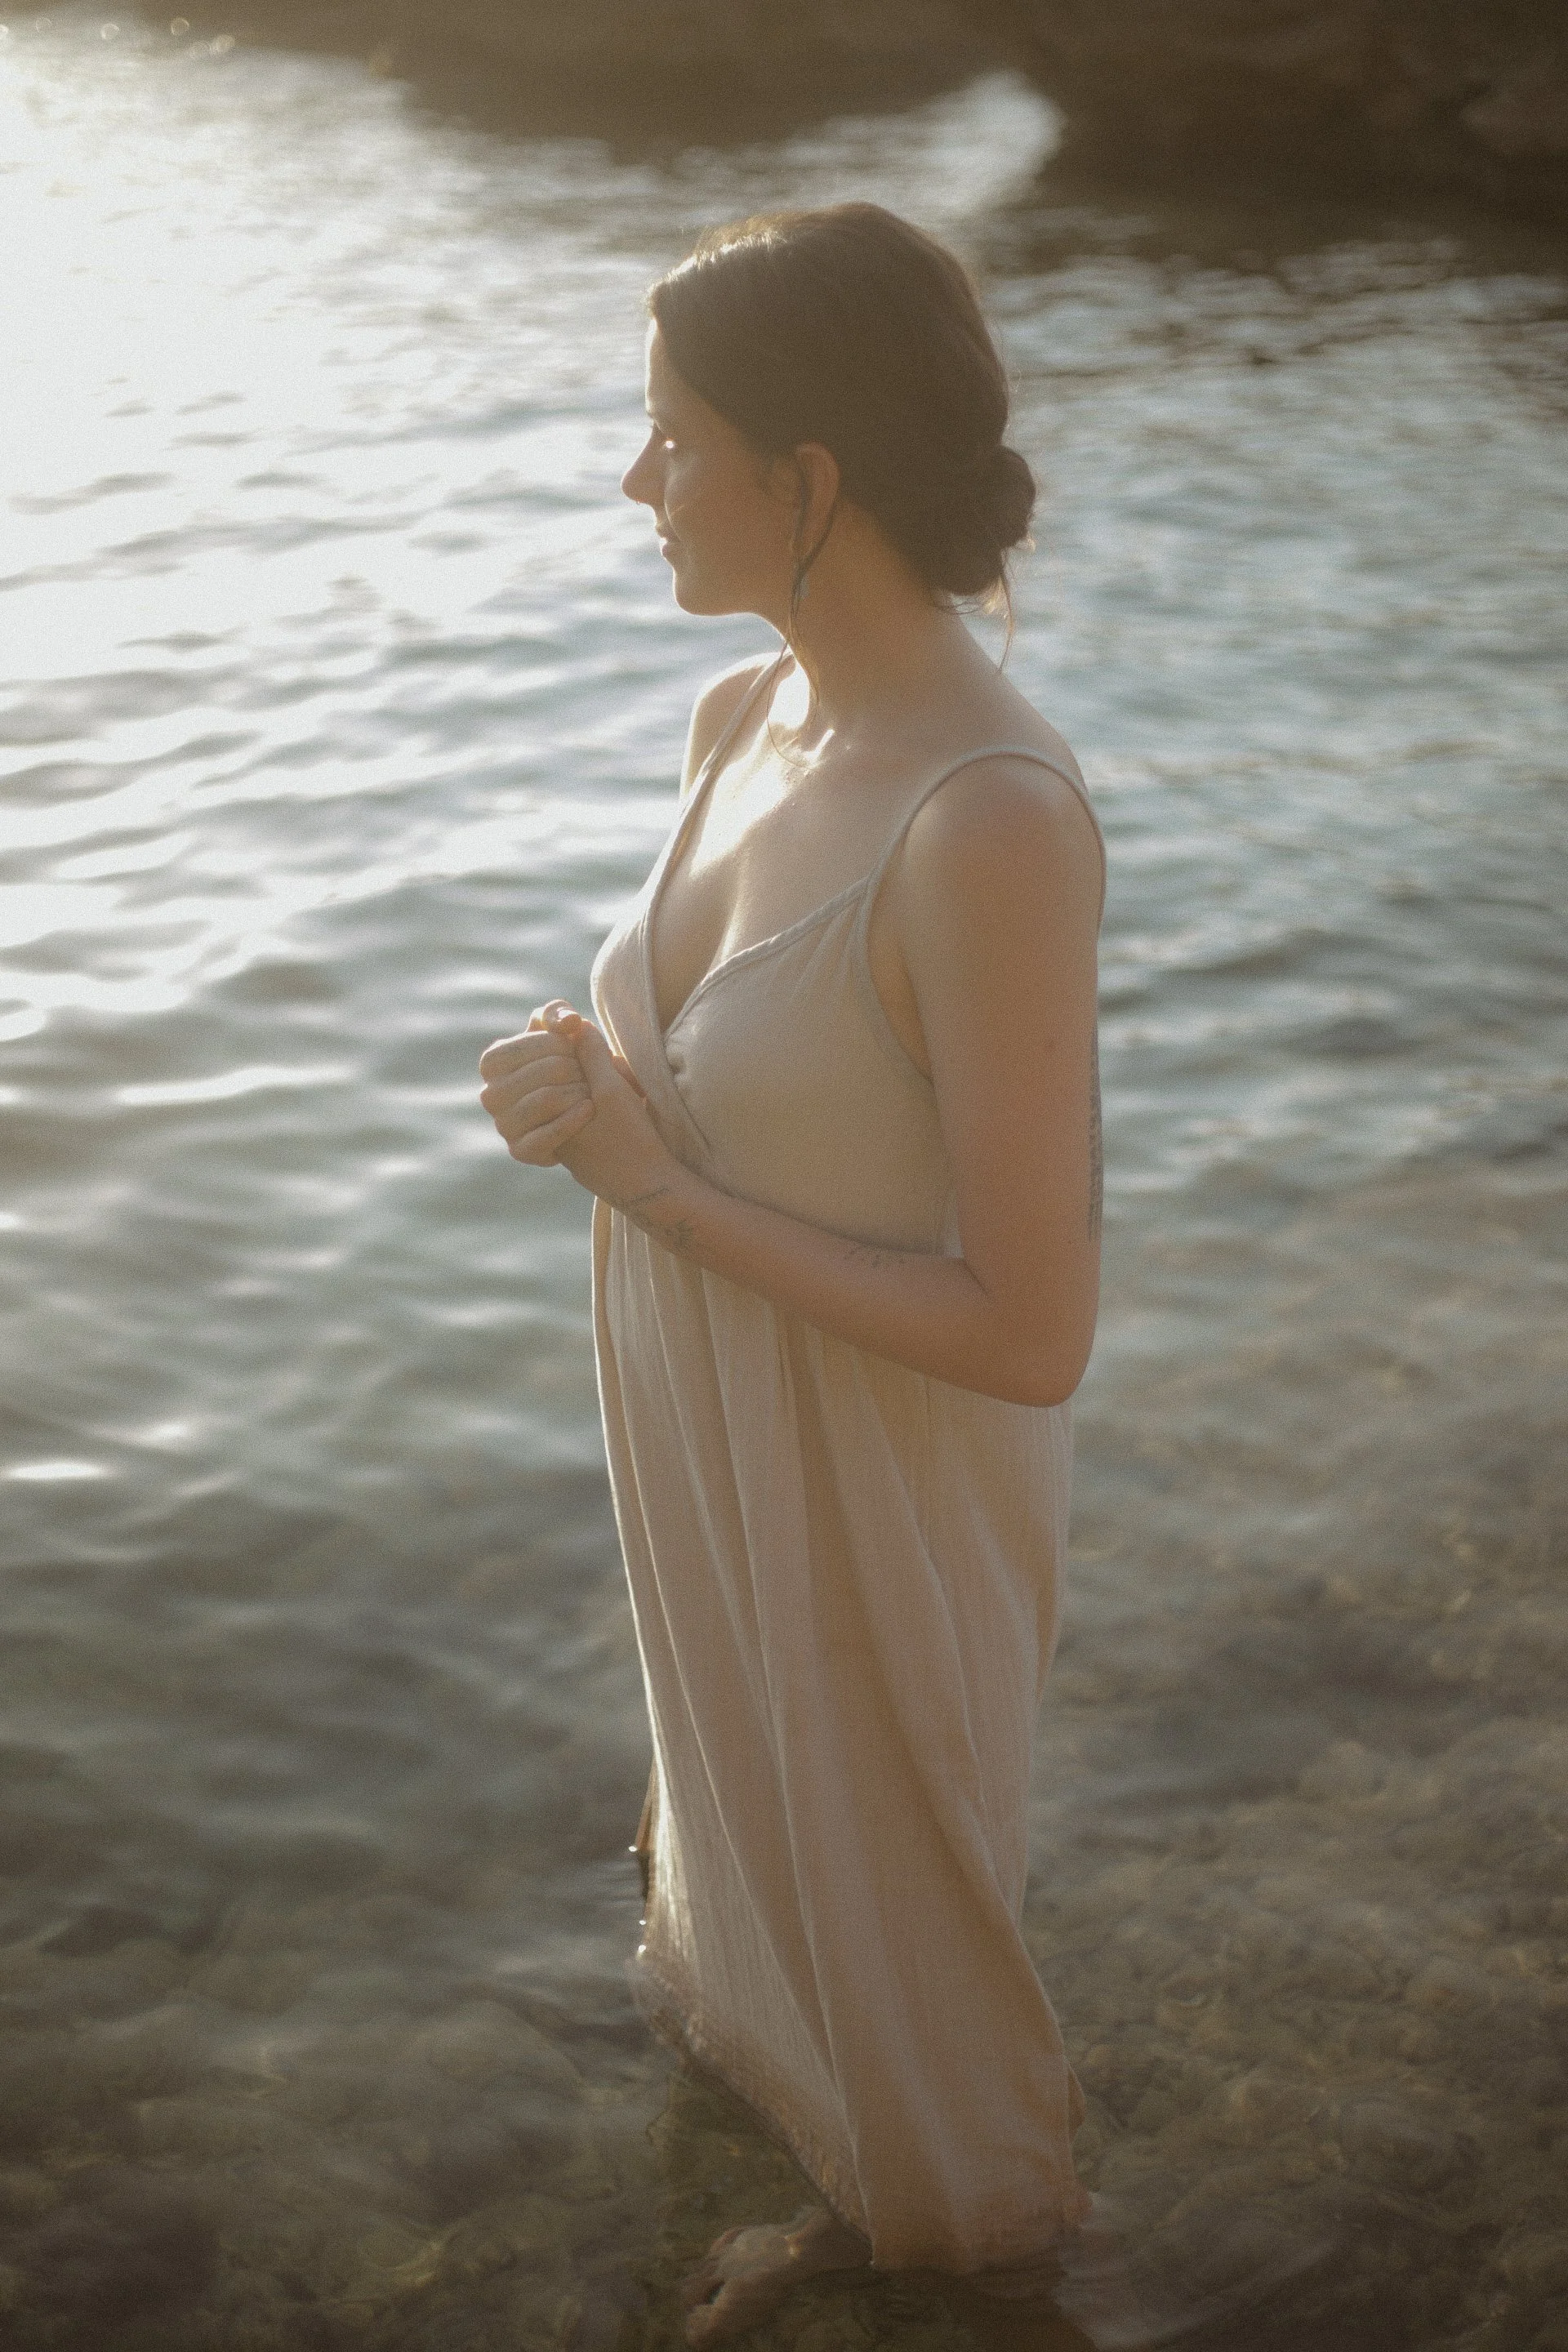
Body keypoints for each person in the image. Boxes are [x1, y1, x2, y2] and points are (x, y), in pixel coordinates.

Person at [479, 202, 1107, 2345]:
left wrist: (653, 1189)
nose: (634, 483)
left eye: (671, 440)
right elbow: (748, 1074)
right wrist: (590, 1088)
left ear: (811, 477)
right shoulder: (736, 716)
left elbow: (1034, 1336)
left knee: (919, 1996)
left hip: (886, 1484)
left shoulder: (992, 822)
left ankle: (937, 2266)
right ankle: (843, 2202)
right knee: (764, 1890)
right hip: (717, 1440)